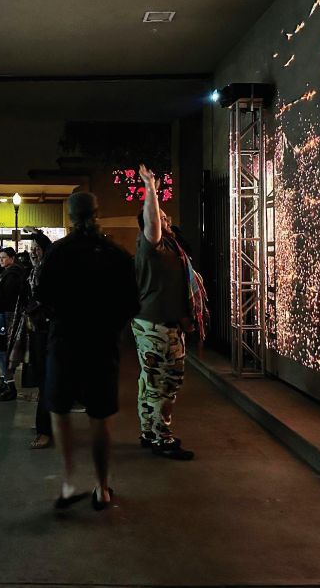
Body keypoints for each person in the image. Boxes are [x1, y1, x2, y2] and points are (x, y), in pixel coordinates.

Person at [37, 192, 139, 510]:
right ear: (97, 213)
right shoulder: (116, 255)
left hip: (65, 341)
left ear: (69, 217)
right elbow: (131, 303)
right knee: (99, 417)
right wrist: (111, 328)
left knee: (59, 411)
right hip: (101, 343)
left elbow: (43, 297)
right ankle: (103, 486)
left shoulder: (57, 254)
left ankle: (68, 482)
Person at [132, 164, 208, 460]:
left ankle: (149, 431)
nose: (164, 217)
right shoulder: (152, 246)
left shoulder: (169, 247)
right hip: (157, 327)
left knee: (151, 381)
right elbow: (150, 219)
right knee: (166, 381)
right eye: (159, 216)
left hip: (160, 324)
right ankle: (161, 437)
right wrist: (150, 188)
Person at [6, 228, 53, 448]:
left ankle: (46, 429)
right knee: (41, 378)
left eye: (37, 249)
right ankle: (46, 426)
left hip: (45, 332)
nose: (33, 253)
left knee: (45, 380)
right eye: (31, 249)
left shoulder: (48, 271)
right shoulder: (33, 272)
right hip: (35, 331)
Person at [0, 247, 25, 401]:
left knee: (0, 350)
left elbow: (5, 295)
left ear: (12, 258)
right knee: (1, 350)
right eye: (0, 257)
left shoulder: (13, 274)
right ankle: (5, 381)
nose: (1, 260)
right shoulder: (9, 273)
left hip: (6, 316)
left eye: (4, 257)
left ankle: (9, 384)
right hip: (4, 314)